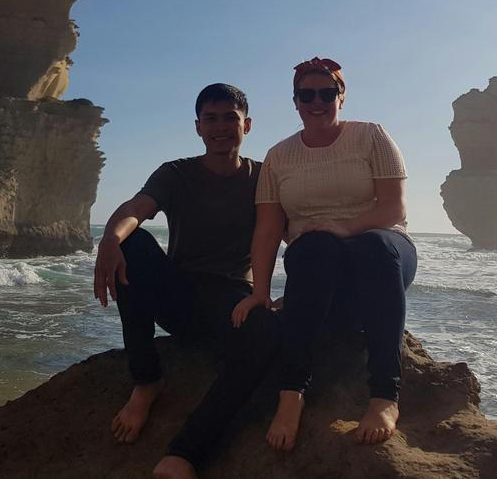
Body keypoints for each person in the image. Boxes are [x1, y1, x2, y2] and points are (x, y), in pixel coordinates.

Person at [93, 83, 280, 479]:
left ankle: (184, 454)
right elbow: (135, 209)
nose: (220, 127)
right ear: (197, 127)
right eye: (210, 118)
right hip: (180, 293)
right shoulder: (176, 173)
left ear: (247, 124)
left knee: (265, 333)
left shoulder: (265, 178)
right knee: (135, 243)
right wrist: (111, 238)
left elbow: (296, 230)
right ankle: (146, 380)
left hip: (233, 301)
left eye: (230, 117)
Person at [231, 57, 417, 451]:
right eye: (307, 94)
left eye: (327, 93)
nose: (317, 102)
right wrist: (259, 292)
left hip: (382, 254)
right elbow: (267, 230)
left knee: (373, 244)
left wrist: (344, 228)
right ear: (295, 101)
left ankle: (385, 396)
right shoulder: (279, 156)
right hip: (317, 264)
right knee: (314, 246)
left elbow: (393, 209)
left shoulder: (371, 136)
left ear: (341, 97)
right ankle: (292, 392)